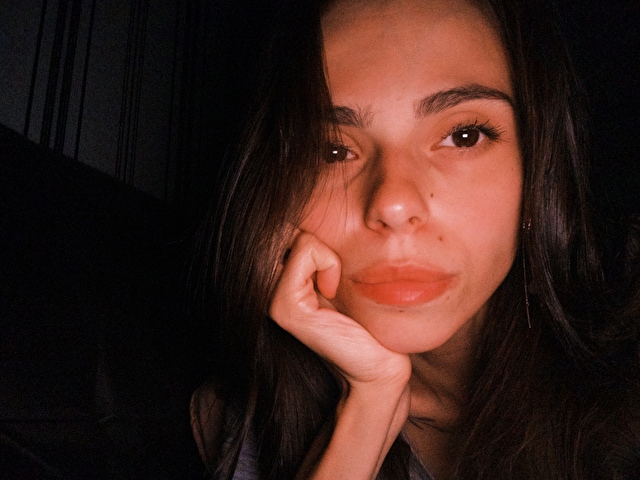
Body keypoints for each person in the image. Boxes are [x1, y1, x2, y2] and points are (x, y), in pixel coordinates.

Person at [190, 0, 640, 478]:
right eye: (332, 150)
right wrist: (366, 408)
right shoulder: (245, 425)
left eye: (464, 136)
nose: (394, 203)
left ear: (536, 171)